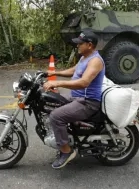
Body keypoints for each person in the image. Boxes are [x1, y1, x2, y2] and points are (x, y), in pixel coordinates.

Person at [43, 29, 105, 169]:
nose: (77, 46)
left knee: (56, 116)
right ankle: (66, 138)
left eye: (80, 43)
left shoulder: (95, 61)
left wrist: (57, 83)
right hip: (77, 98)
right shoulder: (85, 57)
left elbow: (84, 82)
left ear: (89, 45)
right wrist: (53, 73)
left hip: (87, 102)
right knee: (51, 103)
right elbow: (73, 71)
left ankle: (66, 151)